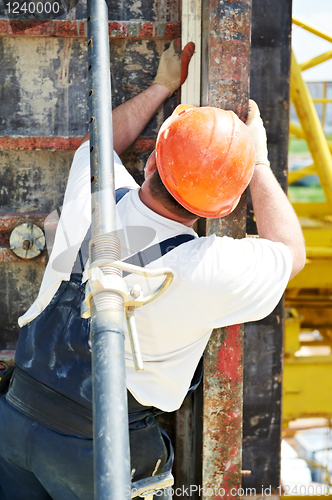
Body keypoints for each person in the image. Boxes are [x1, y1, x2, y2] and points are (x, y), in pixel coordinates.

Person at [0, 39, 305, 500]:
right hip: (100, 455)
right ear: (224, 206)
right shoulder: (208, 267)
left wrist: (163, 85)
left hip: (15, 422)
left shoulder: (94, 196)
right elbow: (290, 251)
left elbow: (99, 144)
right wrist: (257, 163)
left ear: (150, 163)